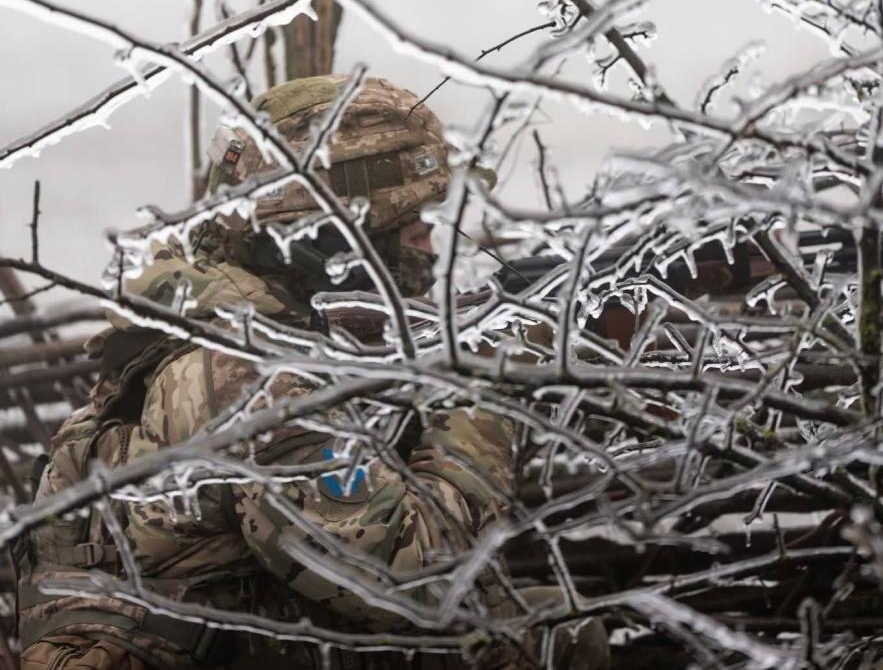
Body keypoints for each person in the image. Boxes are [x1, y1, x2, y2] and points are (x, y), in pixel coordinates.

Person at [15, 74, 609, 669]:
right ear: (330, 238)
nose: (430, 246)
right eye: (408, 224)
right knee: (545, 639)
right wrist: (487, 384)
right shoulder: (251, 379)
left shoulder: (216, 336)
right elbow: (419, 579)